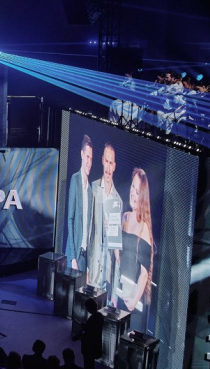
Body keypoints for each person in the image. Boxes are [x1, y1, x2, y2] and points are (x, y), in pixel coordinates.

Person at [111, 168, 154, 332]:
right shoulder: (125, 217)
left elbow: (144, 273)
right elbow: (119, 259)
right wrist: (112, 233)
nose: (133, 194)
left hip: (135, 302)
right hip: (122, 293)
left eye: (137, 191)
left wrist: (134, 300)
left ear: (142, 196)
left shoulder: (144, 228)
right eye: (132, 187)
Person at [88, 142, 122, 291]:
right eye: (106, 162)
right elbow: (88, 230)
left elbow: (116, 248)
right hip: (92, 266)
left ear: (114, 166)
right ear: (102, 160)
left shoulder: (118, 201)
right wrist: (86, 268)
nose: (108, 168)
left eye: (111, 163)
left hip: (106, 272)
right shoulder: (94, 188)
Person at [66, 135, 93, 272]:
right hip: (74, 256)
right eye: (87, 157)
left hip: (84, 258)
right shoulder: (75, 180)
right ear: (82, 154)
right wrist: (72, 258)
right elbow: (70, 219)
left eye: (91, 158)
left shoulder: (90, 191)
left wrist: (87, 264)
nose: (89, 162)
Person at [74, 298, 103, 369]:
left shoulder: (93, 318)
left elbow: (90, 333)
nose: (87, 310)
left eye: (87, 308)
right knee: (90, 364)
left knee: (88, 364)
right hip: (95, 346)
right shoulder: (99, 316)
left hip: (89, 347)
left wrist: (79, 336)